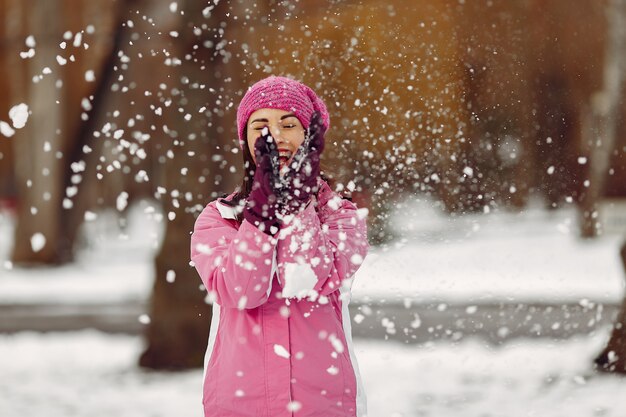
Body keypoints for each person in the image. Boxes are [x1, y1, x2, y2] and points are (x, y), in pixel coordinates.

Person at [190, 76, 369, 417]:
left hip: (323, 401)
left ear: (308, 137)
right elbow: (241, 291)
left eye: (289, 123)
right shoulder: (220, 217)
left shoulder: (340, 215)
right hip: (241, 401)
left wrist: (298, 205)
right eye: (261, 124)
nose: (275, 135)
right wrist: (260, 215)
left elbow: (306, 280)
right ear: (245, 139)